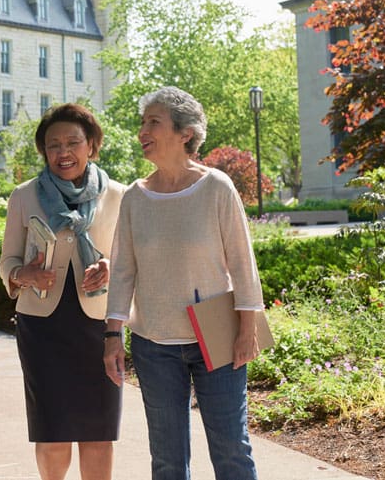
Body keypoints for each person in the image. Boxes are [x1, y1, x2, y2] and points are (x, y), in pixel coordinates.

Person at [103, 86, 264, 480]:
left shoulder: (216, 188)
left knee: (231, 451)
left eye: (153, 122)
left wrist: (248, 330)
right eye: (143, 122)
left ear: (185, 133)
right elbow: (123, 270)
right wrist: (112, 335)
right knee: (168, 461)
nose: (143, 130)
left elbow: (243, 265)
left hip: (217, 338)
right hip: (153, 345)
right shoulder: (135, 198)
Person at [0, 103, 125, 480]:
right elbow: (7, 262)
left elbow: (132, 262)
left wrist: (110, 267)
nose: (63, 152)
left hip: (100, 328)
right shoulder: (24, 196)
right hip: (42, 331)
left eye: (73, 142)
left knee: (98, 434)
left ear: (92, 146)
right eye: (54, 145)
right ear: (44, 151)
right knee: (52, 432)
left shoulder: (119, 196)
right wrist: (25, 274)